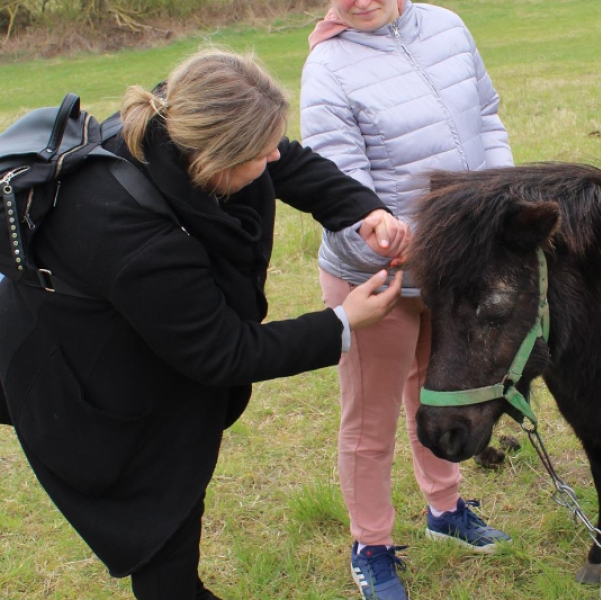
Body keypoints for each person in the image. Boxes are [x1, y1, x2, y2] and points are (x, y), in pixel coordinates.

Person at [0, 47, 410, 600]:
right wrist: (343, 321)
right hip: (92, 386)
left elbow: (286, 160)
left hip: (146, 343)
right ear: (217, 160)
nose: (273, 155)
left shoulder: (178, 124)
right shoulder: (135, 237)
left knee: (177, 486)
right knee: (158, 516)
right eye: (259, 152)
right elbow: (223, 353)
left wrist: (364, 211)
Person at [301, 1, 514, 598]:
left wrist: (496, 206)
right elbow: (335, 183)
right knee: (369, 425)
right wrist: (385, 235)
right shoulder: (328, 66)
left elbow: (487, 118)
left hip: (455, 266)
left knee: (436, 390)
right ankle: (371, 545)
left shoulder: (447, 24)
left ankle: (445, 511)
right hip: (378, 278)